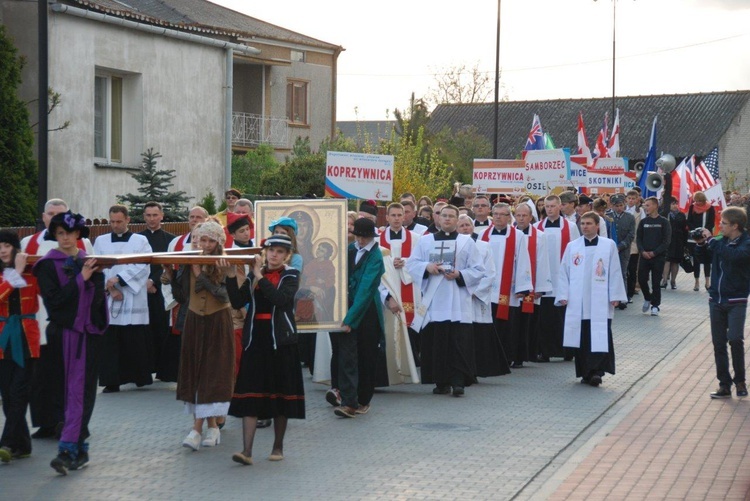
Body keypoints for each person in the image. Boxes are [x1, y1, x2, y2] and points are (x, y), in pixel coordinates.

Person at [32, 212, 108, 474]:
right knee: (67, 392)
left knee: (85, 392)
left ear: (78, 235)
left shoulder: (90, 262)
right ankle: (68, 450)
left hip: (88, 337)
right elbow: (54, 302)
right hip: (63, 334)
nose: (64, 238)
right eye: (60, 233)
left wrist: (92, 318)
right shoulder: (47, 265)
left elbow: (98, 299)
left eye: (69, 233)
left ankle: (76, 449)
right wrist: (80, 280)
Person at [223, 234, 304, 465]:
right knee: (250, 392)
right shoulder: (254, 274)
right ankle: (246, 451)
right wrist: (230, 275)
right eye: (271, 250)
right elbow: (238, 301)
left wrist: (259, 275)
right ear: (265, 252)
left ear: (287, 255)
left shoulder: (291, 275)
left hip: (280, 340)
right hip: (255, 338)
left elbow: (280, 299)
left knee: (280, 394)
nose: (274, 255)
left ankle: (277, 447)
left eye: (279, 252)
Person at [21, 199, 93, 439]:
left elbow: (92, 280)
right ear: (44, 218)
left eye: (60, 214)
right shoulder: (27, 243)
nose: (55, 218)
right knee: (42, 376)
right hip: (38, 314)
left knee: (70, 377)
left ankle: (70, 423)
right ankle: (45, 422)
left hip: (70, 320)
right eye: (51, 214)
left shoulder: (84, 244)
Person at [165, 221, 235, 451]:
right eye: (201, 239)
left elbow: (224, 296)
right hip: (195, 319)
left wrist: (199, 273)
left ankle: (196, 429)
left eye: (210, 240)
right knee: (195, 368)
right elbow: (182, 294)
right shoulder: (189, 259)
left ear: (218, 242)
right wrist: (169, 273)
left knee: (213, 370)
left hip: (217, 320)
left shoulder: (226, 263)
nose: (205, 245)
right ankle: (212, 427)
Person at [406, 205, 485, 397]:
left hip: (458, 301)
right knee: (437, 342)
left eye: (451, 216)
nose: (447, 219)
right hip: (435, 301)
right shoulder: (425, 241)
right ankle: (441, 382)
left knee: (458, 343)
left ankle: (458, 382)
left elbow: (478, 269)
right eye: (444, 216)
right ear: (438, 219)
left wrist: (460, 274)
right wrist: (427, 267)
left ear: (458, 220)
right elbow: (412, 264)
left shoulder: (467, 242)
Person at [556, 211, 627, 387]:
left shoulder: (608, 245)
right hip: (578, 300)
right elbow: (564, 272)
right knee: (582, 336)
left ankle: (597, 372)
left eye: (589, 223)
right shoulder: (573, 246)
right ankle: (585, 372)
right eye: (583, 224)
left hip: (600, 299)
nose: (585, 227)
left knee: (599, 333)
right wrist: (563, 295)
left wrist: (616, 295)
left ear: (597, 225)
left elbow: (615, 271)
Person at [94, 205, 153, 392]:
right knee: (110, 342)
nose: (115, 225)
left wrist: (119, 279)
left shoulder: (140, 240)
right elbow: (96, 266)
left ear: (128, 220)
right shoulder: (101, 241)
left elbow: (144, 265)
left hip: (133, 297)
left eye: (119, 221)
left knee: (133, 339)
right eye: (112, 221)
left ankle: (138, 377)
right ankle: (112, 381)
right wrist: (110, 288)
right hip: (110, 297)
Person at [330, 218, 384, 418]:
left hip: (366, 312)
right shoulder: (349, 250)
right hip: (346, 308)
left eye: (364, 237)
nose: (360, 240)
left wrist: (350, 319)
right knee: (347, 356)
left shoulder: (376, 257)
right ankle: (349, 402)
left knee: (366, 356)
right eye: (358, 236)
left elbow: (365, 290)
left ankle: (363, 399)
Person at [694, 208, 750, 398]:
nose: (720, 226)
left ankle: (740, 381)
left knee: (735, 338)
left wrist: (711, 241)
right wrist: (701, 246)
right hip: (716, 299)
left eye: (724, 223)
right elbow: (704, 259)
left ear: (735, 225)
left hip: (736, 299)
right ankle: (724, 384)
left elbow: (734, 257)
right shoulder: (719, 242)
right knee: (719, 343)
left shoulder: (746, 243)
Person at [0, 231, 40, 463]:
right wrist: (14, 272)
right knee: (8, 393)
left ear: (16, 248)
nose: (3, 250)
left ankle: (6, 442)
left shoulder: (32, 273)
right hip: (3, 340)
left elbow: (52, 291)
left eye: (7, 245)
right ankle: (22, 444)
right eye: (0, 246)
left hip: (27, 340)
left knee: (19, 393)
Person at [480, 203, 534, 369]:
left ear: (508, 217)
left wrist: (522, 287)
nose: (498, 217)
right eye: (495, 214)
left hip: (507, 288)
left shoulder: (517, 236)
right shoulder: (483, 234)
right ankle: (488, 356)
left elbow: (524, 261)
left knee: (506, 324)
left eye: (502, 214)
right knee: (488, 323)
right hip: (487, 288)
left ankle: (506, 356)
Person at [457, 215, 510, 378]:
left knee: (479, 335)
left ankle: (479, 369)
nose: (465, 228)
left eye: (467, 225)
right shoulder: (454, 246)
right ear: (457, 228)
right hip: (459, 296)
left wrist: (474, 291)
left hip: (477, 297)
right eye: (462, 226)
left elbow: (490, 273)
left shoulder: (483, 246)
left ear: (472, 227)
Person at [379, 203, 421, 382]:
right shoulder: (377, 239)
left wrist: (405, 262)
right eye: (393, 215)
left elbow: (421, 261)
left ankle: (409, 367)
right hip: (387, 289)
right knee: (388, 330)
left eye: (399, 215)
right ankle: (390, 370)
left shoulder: (417, 238)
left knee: (409, 328)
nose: (396, 218)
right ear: (387, 217)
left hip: (409, 287)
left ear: (404, 217)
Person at [535, 195, 580, 362]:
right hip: (544, 279)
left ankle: (567, 351)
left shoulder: (571, 227)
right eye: (547, 206)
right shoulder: (537, 227)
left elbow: (576, 252)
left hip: (563, 278)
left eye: (553, 206)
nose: (550, 209)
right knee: (545, 318)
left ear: (560, 207)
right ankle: (544, 351)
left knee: (563, 317)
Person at [138, 202, 176, 378]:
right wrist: (145, 282)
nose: (151, 219)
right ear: (143, 217)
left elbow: (167, 265)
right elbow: (136, 264)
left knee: (161, 328)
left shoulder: (171, 240)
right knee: (143, 330)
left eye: (155, 215)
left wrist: (153, 281)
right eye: (148, 215)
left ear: (162, 216)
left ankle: (162, 370)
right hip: (140, 290)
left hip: (160, 290)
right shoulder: (137, 239)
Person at [513, 203, 552, 366]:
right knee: (513, 322)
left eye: (524, 216)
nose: (521, 218)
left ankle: (522, 355)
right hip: (512, 287)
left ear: (531, 217)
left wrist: (540, 288)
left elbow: (543, 261)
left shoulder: (540, 236)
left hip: (532, 285)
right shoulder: (510, 234)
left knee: (527, 322)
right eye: (518, 215)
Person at [636, 197, 671, 316]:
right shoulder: (643, 222)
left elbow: (666, 241)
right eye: (645, 205)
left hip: (658, 257)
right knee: (641, 278)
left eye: (648, 205)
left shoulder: (664, 222)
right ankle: (647, 297)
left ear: (655, 206)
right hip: (644, 256)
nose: (646, 207)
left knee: (656, 281)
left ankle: (655, 305)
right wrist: (642, 251)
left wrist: (655, 252)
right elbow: (639, 239)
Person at [609, 195, 636, 309]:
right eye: (616, 206)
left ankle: (623, 298)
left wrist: (620, 246)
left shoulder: (630, 217)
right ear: (612, 206)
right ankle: (611, 297)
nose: (619, 208)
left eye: (621, 205)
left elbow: (631, 235)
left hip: (623, 250)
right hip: (609, 250)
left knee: (623, 273)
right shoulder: (608, 217)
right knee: (611, 274)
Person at [687, 191, 715, 291]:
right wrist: (695, 231)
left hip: (706, 236)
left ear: (703, 200)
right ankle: (696, 282)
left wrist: (704, 232)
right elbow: (689, 221)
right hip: (694, 238)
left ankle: (707, 282)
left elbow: (711, 222)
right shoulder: (692, 207)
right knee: (696, 261)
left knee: (707, 260)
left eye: (699, 201)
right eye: (696, 201)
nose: (697, 203)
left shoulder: (710, 208)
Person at [662, 198, 688, 290]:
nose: (675, 206)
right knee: (667, 260)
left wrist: (685, 243)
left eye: (676, 204)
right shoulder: (665, 214)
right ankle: (664, 280)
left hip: (678, 241)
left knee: (675, 261)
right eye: (672, 204)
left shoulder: (681, 215)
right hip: (668, 241)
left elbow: (685, 230)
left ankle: (673, 281)